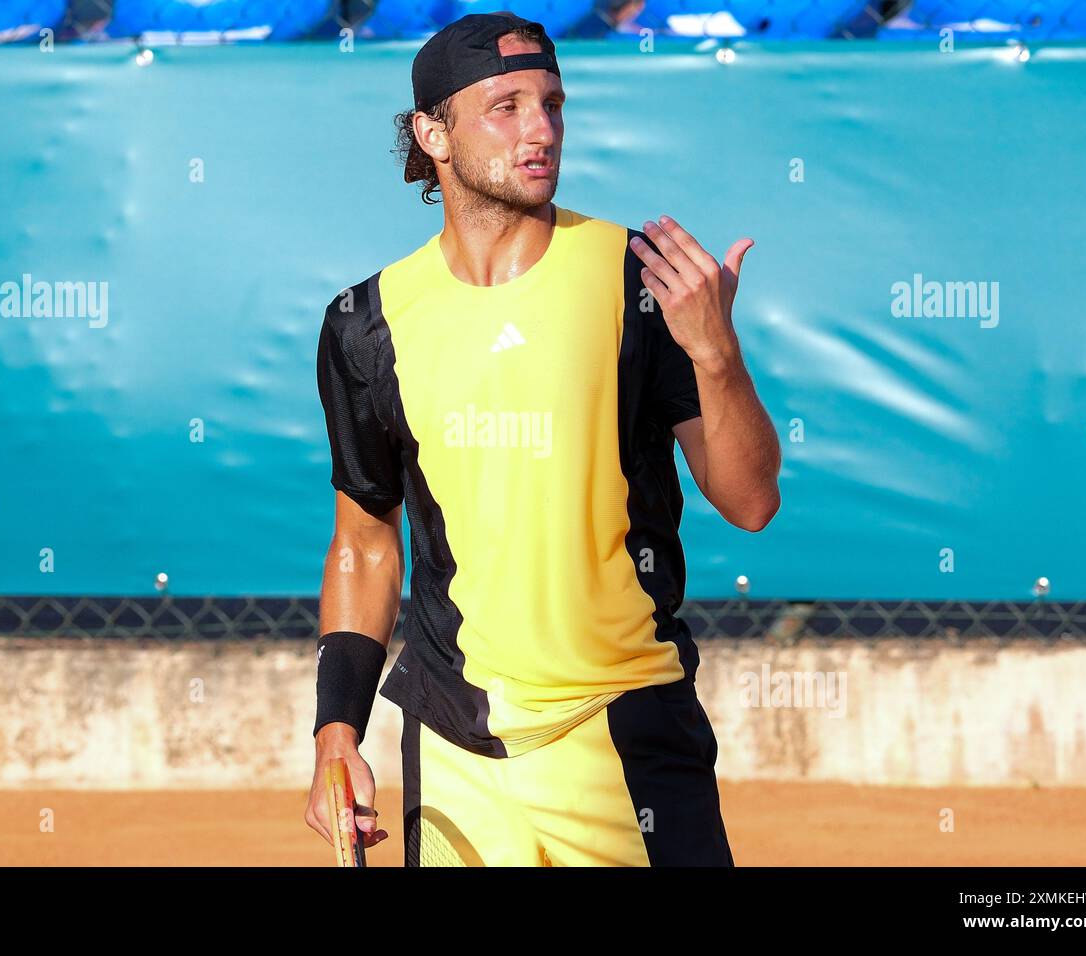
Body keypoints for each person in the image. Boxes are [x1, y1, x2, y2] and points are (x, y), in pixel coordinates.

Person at [307, 10, 780, 866]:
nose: (541, 130)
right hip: (452, 748)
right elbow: (366, 544)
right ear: (432, 134)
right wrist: (336, 727)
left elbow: (750, 501)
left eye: (553, 103)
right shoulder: (365, 323)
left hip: (626, 732)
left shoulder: (643, 280)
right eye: (507, 106)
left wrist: (716, 354)